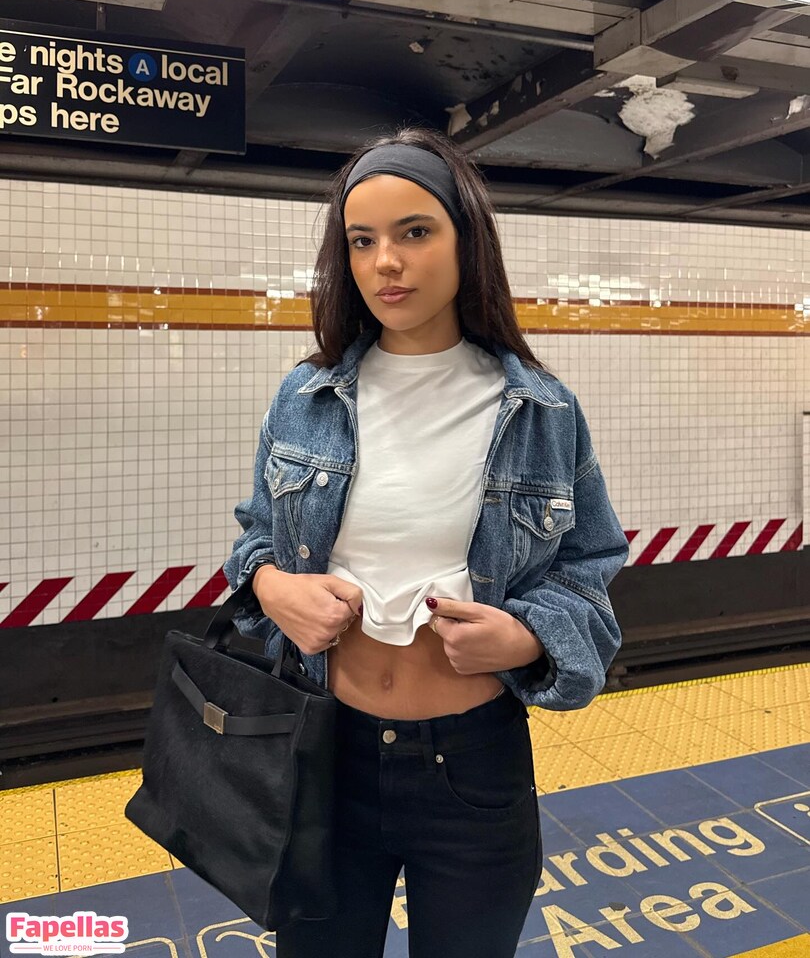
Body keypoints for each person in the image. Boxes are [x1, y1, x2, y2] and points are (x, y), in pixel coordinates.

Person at [221, 126, 630, 958]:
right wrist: (271, 587)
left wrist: (528, 636)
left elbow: (589, 565)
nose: (386, 263)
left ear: (466, 240)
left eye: (414, 232)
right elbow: (258, 535)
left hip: (473, 767)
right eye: (361, 240)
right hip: (324, 752)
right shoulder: (305, 395)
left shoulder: (542, 410)